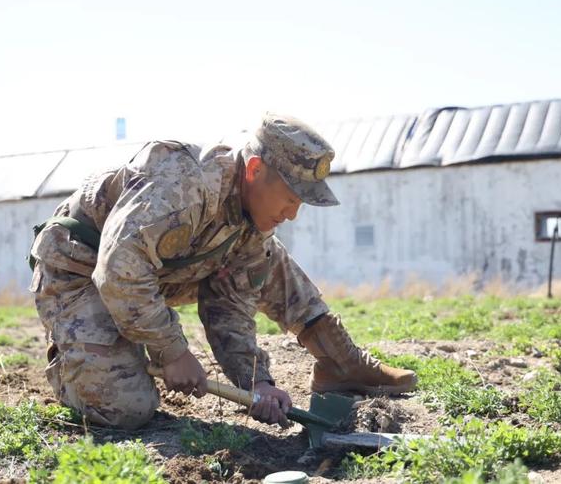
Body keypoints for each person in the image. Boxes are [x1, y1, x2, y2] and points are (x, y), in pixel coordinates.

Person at [28, 113, 417, 430]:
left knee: (267, 254)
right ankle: (71, 358)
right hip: (78, 271)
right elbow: (119, 270)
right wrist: (172, 350)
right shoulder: (183, 185)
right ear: (254, 169)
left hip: (154, 275)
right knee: (127, 409)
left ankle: (339, 360)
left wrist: (257, 383)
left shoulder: (250, 219)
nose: (293, 213)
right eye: (290, 196)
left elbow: (229, 304)